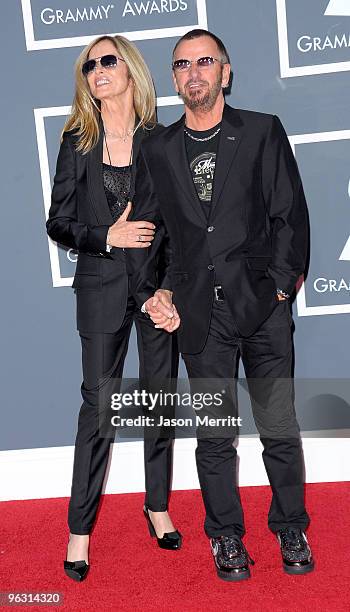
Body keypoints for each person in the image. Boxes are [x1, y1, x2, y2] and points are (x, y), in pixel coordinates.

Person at [126, 29, 314, 582]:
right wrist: (153, 291)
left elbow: (290, 215)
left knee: (279, 425)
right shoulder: (157, 148)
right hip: (201, 317)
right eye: (182, 64)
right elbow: (147, 229)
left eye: (205, 61)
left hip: (262, 309)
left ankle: (290, 527)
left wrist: (280, 289)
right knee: (216, 435)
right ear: (174, 78)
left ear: (225, 72)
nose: (194, 73)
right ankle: (226, 537)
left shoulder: (260, 132)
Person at [47, 34, 181, 583]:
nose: (97, 69)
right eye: (89, 65)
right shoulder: (77, 141)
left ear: (130, 70)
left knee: (158, 400)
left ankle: (156, 505)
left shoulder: (164, 140)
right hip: (101, 289)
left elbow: (181, 230)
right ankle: (79, 531)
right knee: (97, 409)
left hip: (155, 293)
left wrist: (168, 289)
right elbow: (58, 222)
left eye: (107, 60)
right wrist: (109, 235)